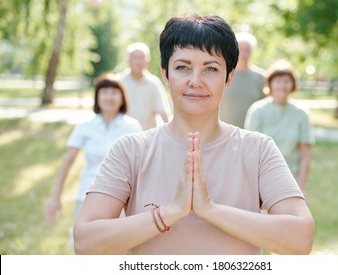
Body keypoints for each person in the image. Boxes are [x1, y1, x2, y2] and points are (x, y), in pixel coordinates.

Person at [73, 14, 314, 255]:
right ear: (165, 74)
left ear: (228, 77)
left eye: (210, 68)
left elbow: (300, 239)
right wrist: (171, 211)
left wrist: (210, 209)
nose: (195, 81)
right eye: (183, 68)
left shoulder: (259, 149)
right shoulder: (130, 149)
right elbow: (85, 243)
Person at [45, 73, 142, 225]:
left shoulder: (133, 126)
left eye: (114, 92)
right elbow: (68, 161)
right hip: (87, 195)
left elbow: (141, 166)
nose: (109, 97)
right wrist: (56, 195)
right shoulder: (85, 126)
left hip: (121, 200)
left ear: (122, 97)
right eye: (104, 92)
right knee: (86, 246)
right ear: (97, 97)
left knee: (117, 247)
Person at [245, 60, 315, 191]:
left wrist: (301, 187)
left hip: (291, 179)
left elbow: (305, 153)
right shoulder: (257, 111)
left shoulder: (301, 114)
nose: (282, 86)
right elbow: (250, 150)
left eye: (286, 81)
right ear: (270, 84)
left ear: (293, 84)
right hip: (262, 178)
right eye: (277, 81)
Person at [117, 42, 171, 130]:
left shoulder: (154, 83)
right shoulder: (118, 82)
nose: (138, 62)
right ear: (128, 60)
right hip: (123, 135)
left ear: (147, 60)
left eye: (142, 58)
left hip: (146, 137)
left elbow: (163, 111)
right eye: (135, 57)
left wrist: (169, 134)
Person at [219, 31, 266, 128]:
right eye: (241, 49)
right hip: (224, 132)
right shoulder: (223, 75)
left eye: (247, 50)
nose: (243, 53)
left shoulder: (261, 78)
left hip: (252, 133)